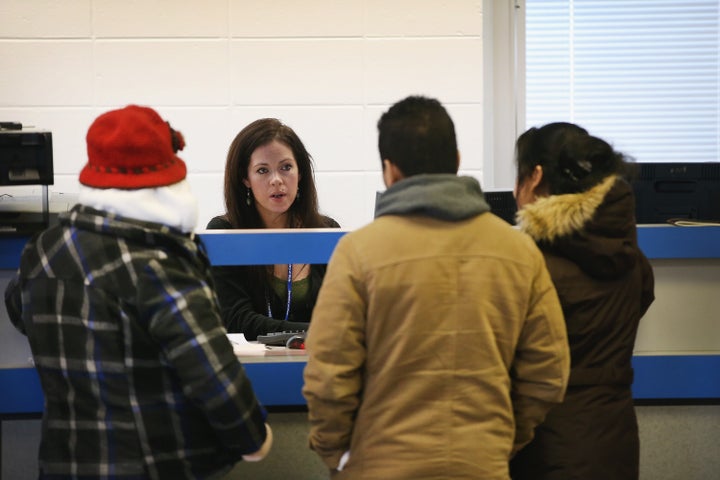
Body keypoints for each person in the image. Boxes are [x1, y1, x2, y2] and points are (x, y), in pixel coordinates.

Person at [302, 95, 571, 479]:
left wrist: (337, 454)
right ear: (457, 161)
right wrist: (499, 442)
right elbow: (548, 374)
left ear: (389, 171)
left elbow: (328, 376)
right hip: (482, 465)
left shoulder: (358, 253)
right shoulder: (519, 251)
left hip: (380, 465)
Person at [4, 105, 272, 479]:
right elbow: (211, 374)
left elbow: (20, 313)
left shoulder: (44, 251)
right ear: (168, 188)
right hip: (156, 466)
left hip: (66, 463)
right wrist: (254, 436)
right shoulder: (159, 266)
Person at [509, 122, 655, 480]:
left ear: (536, 177)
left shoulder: (530, 263)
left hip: (547, 447)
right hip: (616, 440)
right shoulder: (633, 259)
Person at [207, 118, 339, 340]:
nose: (277, 180)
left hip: (319, 365)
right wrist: (314, 332)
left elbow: (341, 315)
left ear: (301, 173)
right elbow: (236, 320)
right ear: (245, 179)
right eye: (262, 170)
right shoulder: (224, 232)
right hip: (253, 369)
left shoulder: (326, 231)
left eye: (286, 167)